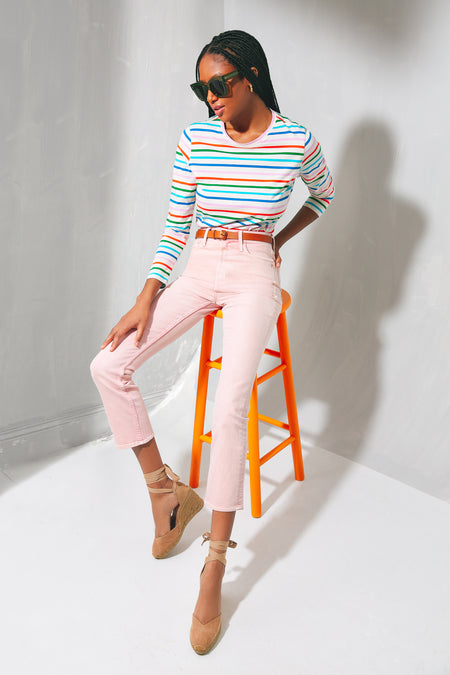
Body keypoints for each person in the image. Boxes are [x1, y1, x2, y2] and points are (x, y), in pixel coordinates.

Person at [90, 29, 334, 655]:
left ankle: (216, 563)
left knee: (229, 410)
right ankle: (167, 494)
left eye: (220, 84)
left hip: (254, 272)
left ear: (251, 76)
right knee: (108, 365)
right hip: (200, 266)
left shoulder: (295, 140)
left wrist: (277, 241)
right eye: (201, 88)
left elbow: (324, 194)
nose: (211, 97)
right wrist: (147, 296)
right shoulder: (196, 140)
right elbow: (177, 223)